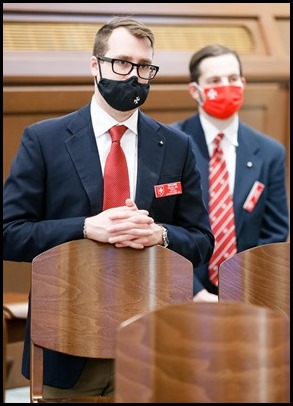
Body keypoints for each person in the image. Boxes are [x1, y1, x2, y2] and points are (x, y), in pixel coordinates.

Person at [3, 17, 214, 398]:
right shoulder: (44, 141)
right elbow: (9, 234)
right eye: (122, 63)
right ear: (95, 65)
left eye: (144, 67)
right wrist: (85, 228)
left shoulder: (176, 146)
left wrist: (160, 234)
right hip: (67, 337)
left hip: (153, 344)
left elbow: (201, 241)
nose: (133, 75)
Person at [171, 44, 289, 302]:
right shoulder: (170, 145)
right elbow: (163, 226)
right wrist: (195, 292)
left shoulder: (270, 152)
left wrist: (245, 292)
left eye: (233, 79)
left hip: (249, 293)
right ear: (195, 90)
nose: (226, 86)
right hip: (184, 293)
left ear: (243, 83)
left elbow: (275, 234)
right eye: (214, 80)